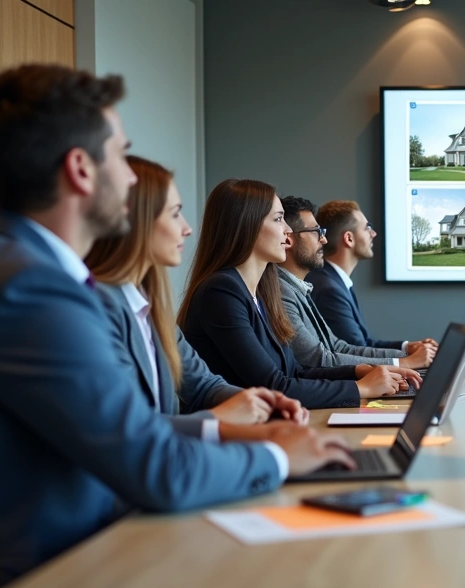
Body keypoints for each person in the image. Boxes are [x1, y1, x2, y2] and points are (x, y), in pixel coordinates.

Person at [0, 64, 352, 588]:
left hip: (79, 559)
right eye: (120, 154)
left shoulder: (21, 269)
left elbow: (125, 431)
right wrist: (279, 455)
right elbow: (155, 467)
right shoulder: (31, 290)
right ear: (81, 169)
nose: (133, 181)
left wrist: (233, 430)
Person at [86, 155, 309, 438]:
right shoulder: (97, 308)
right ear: (138, 219)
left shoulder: (150, 305)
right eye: (175, 213)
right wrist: (220, 419)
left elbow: (203, 385)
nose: (187, 228)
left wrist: (262, 403)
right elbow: (125, 432)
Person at [177, 179, 420, 409]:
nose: (287, 231)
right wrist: (359, 389)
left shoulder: (259, 293)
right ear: (247, 225)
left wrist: (359, 371)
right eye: (278, 219)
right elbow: (274, 385)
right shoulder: (222, 291)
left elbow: (296, 372)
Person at [276, 195, 436, 369]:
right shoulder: (311, 289)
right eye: (316, 231)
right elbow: (320, 360)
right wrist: (404, 362)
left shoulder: (303, 287)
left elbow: (338, 347)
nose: (324, 239)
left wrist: (405, 354)